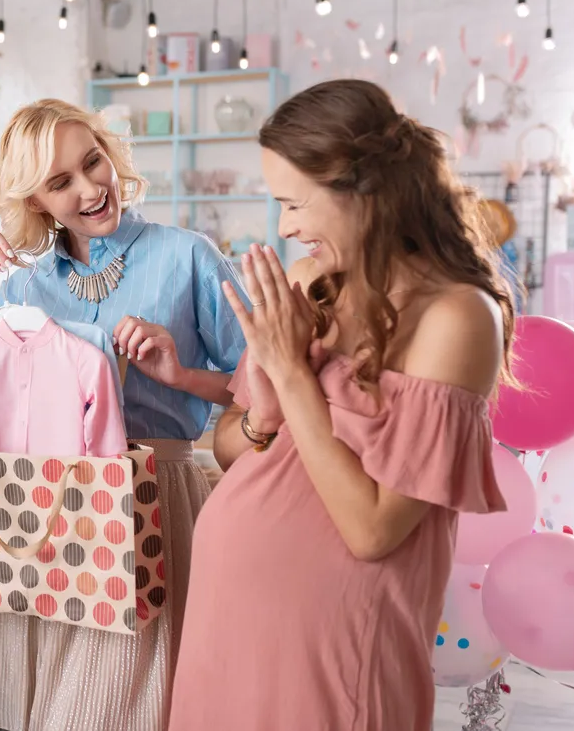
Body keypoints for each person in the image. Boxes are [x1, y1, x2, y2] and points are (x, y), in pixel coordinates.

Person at [168, 79, 513, 731]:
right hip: (229, 625)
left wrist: (295, 376)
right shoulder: (312, 283)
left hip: (336, 644)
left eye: (295, 203)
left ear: (365, 191)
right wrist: (267, 403)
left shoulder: (457, 317)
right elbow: (231, 446)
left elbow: (375, 530)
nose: (286, 226)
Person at [0, 98, 246, 731]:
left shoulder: (188, 255)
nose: (90, 188)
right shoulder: (22, 287)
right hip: (42, 510)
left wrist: (181, 374)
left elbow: (266, 390)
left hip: (151, 500)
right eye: (60, 181)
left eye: (93, 162)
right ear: (35, 202)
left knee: (121, 711)